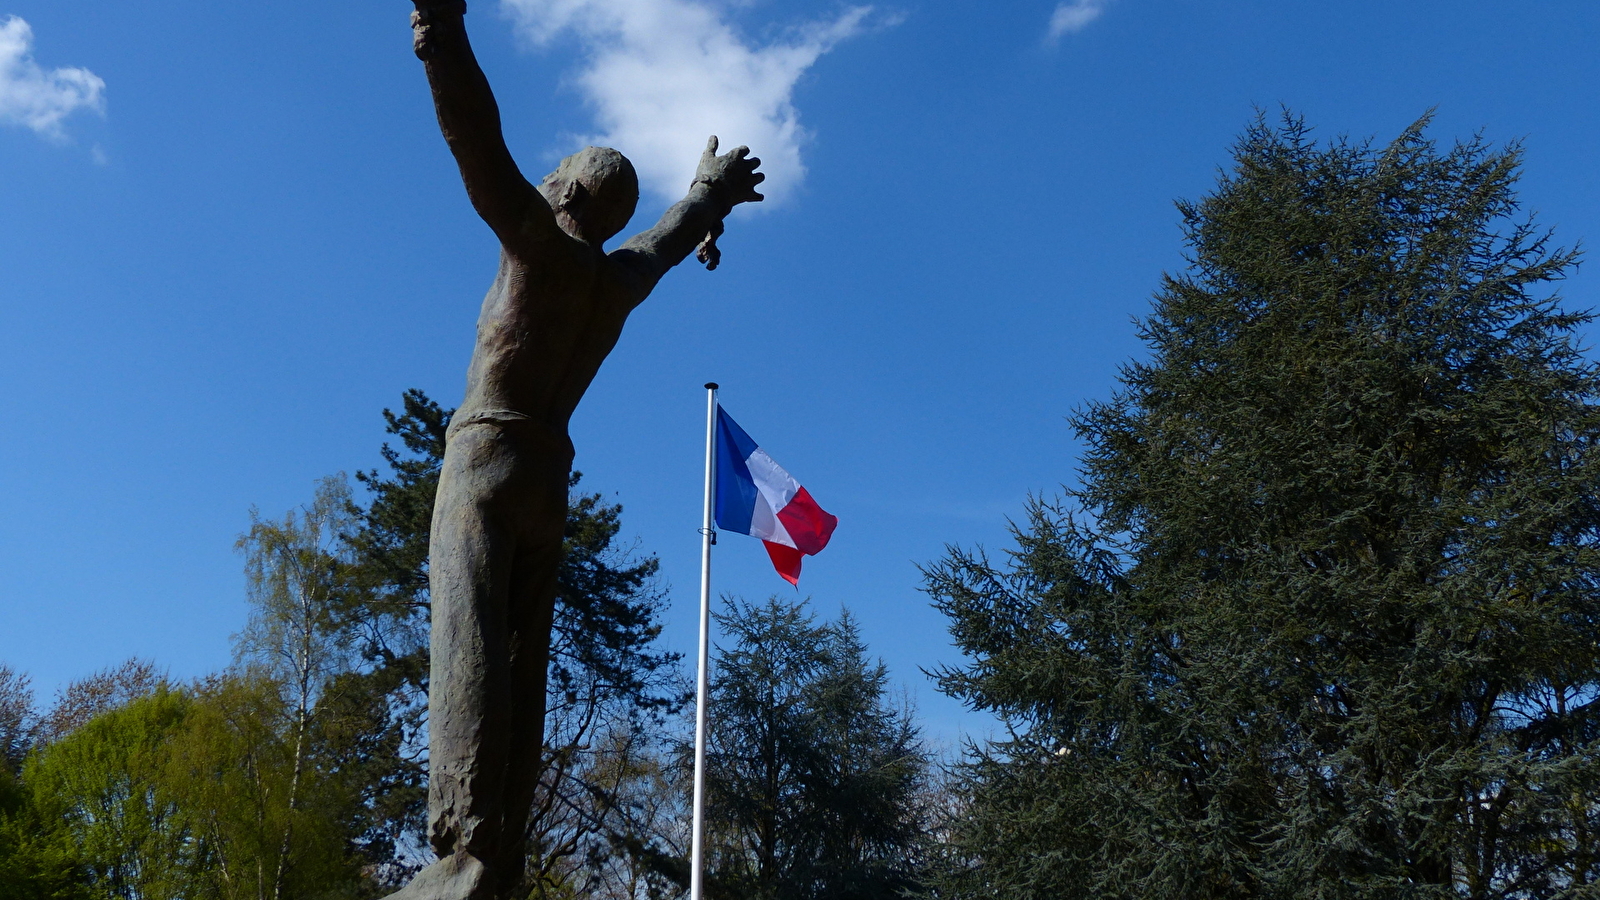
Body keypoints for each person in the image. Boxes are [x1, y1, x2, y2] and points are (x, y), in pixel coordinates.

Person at [392, 3, 766, 897]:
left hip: (483, 467)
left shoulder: (534, 246)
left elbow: (476, 140)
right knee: (523, 659)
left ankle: (465, 839)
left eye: (556, 171)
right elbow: (672, 237)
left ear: (561, 192)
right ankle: (501, 848)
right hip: (548, 478)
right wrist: (709, 192)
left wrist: (443, 34)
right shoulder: (614, 283)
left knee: (469, 639)